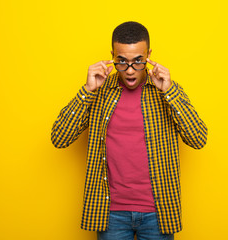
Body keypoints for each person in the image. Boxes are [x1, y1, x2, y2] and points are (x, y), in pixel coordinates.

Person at [51, 21, 208, 240]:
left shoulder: (166, 89)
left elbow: (198, 139)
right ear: (112, 56)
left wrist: (171, 93)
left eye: (138, 61)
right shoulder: (99, 89)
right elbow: (59, 138)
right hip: (111, 213)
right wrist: (87, 91)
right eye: (122, 62)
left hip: (158, 212)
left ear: (149, 55)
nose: (131, 70)